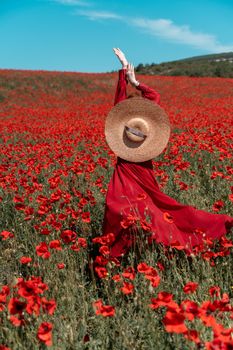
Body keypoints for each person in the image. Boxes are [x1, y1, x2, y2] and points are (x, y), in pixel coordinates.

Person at [102, 48, 233, 258]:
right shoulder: (144, 142)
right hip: (127, 172)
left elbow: (121, 99)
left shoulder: (137, 151)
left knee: (150, 212)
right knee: (119, 209)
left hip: (137, 173)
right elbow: (153, 97)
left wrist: (128, 76)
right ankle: (122, 252)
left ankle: (139, 250)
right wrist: (133, 80)